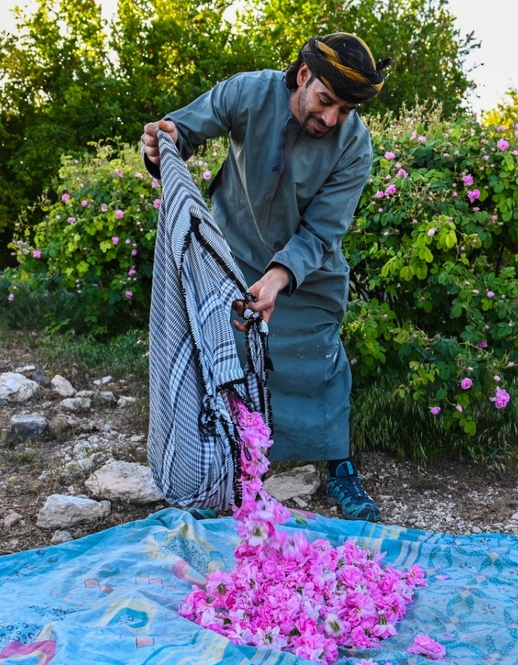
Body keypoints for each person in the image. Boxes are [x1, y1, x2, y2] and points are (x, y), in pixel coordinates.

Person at [141, 33, 390, 522]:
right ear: (302, 76)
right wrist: (161, 143)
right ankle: (235, 463)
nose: (331, 119)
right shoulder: (247, 92)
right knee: (228, 358)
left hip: (307, 273)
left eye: (343, 110)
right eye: (325, 101)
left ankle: (337, 465)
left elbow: (323, 229)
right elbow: (182, 132)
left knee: (317, 362)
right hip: (233, 259)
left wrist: (279, 276)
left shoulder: (355, 146)